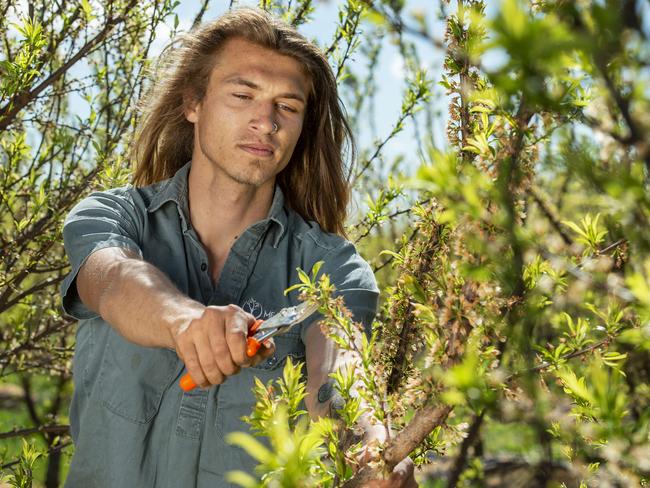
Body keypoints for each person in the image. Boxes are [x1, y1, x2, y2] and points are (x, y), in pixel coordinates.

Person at [61, 8, 415, 488]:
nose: (265, 122)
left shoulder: (333, 267)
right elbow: (113, 279)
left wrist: (365, 451)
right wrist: (184, 321)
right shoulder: (114, 216)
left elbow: (339, 372)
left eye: (287, 107)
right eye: (243, 95)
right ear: (194, 102)